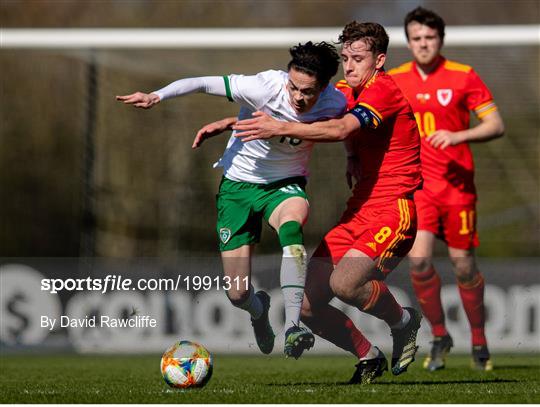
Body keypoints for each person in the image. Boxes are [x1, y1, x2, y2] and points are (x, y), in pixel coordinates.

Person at [116, 42, 347, 359]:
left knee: (292, 226)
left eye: (307, 92)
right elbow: (201, 82)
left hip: (285, 184)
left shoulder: (337, 103)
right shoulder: (263, 86)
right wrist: (157, 95)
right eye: (293, 86)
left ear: (323, 87)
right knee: (237, 293)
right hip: (237, 186)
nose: (297, 96)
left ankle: (293, 327)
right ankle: (258, 309)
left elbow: (351, 127)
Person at [232, 21, 423, 384]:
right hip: (358, 209)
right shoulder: (342, 90)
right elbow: (298, 115)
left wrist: (281, 129)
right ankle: (368, 355)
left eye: (358, 59)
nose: (349, 66)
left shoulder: (383, 90)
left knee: (345, 284)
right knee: (303, 304)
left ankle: (403, 320)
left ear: (379, 60)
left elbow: (339, 129)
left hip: (394, 209)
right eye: (346, 58)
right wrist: (229, 123)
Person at [388, 7, 505, 371]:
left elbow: (496, 124)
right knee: (419, 260)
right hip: (418, 188)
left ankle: (479, 339)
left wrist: (459, 135)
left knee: (464, 267)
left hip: (457, 189)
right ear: (408, 42)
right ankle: (439, 334)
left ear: (440, 39)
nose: (423, 44)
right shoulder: (394, 80)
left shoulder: (463, 76)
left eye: (429, 37)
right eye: (416, 38)